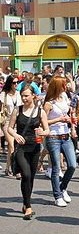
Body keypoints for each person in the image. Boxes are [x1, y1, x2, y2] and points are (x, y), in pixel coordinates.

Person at [7, 85, 50, 220]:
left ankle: (26, 204)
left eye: (26, 95)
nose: (24, 98)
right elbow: (9, 128)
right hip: (21, 148)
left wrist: (43, 132)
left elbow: (47, 129)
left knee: (30, 177)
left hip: (35, 147)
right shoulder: (17, 110)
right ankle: (28, 205)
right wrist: (15, 135)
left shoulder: (40, 111)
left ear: (33, 96)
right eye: (22, 96)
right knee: (25, 174)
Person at [43, 76, 77, 207]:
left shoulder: (64, 97)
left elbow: (70, 113)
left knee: (72, 165)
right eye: (63, 85)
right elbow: (43, 120)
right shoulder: (49, 103)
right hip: (53, 136)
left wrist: (71, 125)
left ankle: (63, 187)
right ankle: (57, 195)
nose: (66, 87)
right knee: (56, 167)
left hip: (65, 135)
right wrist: (58, 120)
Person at [1, 75, 23, 175]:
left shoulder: (19, 94)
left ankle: (7, 168)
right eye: (14, 83)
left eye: (17, 82)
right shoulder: (3, 95)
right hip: (7, 120)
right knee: (12, 145)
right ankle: (16, 169)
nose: (16, 85)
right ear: (9, 83)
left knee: (12, 147)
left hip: (18, 120)